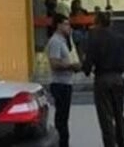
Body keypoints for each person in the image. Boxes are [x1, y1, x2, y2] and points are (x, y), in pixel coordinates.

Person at [82, 11, 124, 147]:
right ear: (111, 23)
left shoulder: (94, 40)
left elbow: (87, 65)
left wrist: (86, 69)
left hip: (102, 80)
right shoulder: (121, 39)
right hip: (118, 79)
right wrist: (118, 70)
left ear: (97, 23)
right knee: (119, 114)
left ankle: (110, 144)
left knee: (106, 118)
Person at [46, 13, 81, 147]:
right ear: (58, 25)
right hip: (60, 84)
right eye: (66, 24)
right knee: (61, 119)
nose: (69, 27)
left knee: (64, 117)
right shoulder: (55, 41)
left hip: (66, 82)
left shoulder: (64, 41)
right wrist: (71, 66)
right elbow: (54, 63)